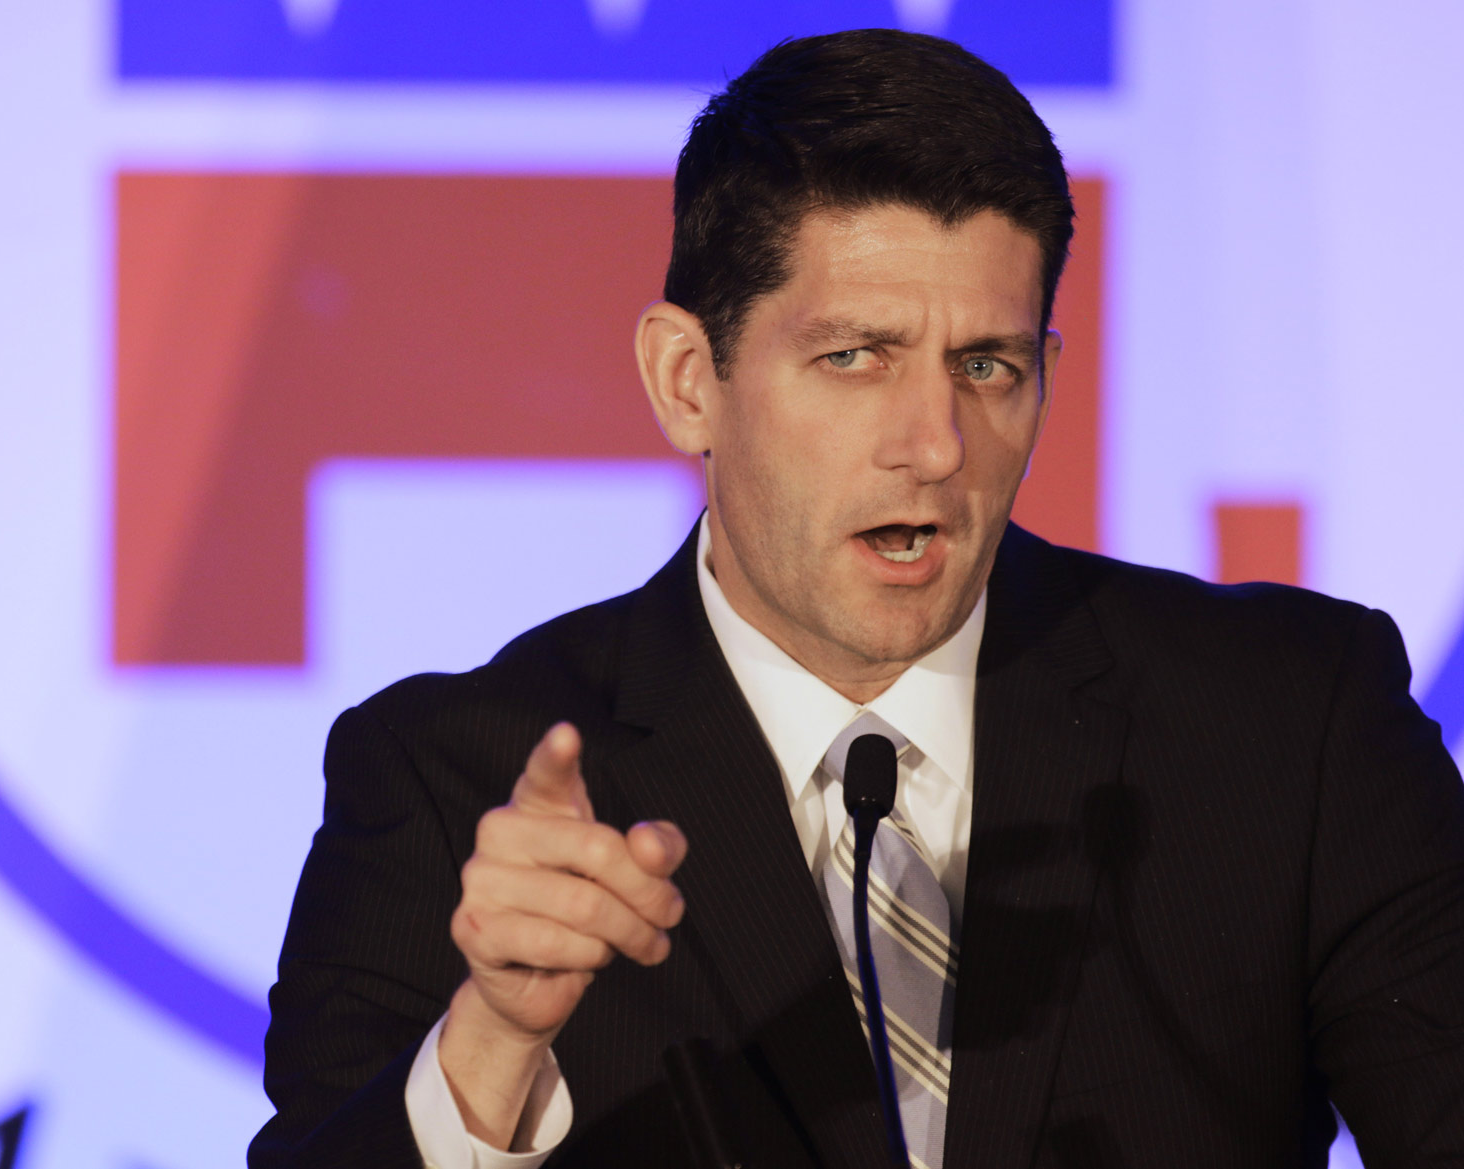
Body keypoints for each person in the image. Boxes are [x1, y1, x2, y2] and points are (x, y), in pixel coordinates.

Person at [250, 29, 1464, 1169]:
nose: (934, 444)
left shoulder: (1290, 725)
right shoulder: (448, 780)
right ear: (688, 379)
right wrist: (492, 1045)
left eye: (985, 365)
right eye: (853, 357)